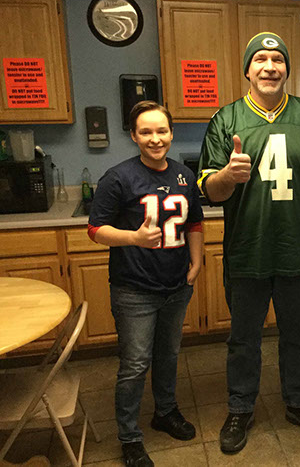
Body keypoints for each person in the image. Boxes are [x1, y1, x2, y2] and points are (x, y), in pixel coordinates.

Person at [197, 32, 300, 454]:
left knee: (299, 335)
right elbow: (210, 190)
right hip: (247, 249)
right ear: (247, 70)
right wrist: (227, 176)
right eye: (260, 59)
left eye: (277, 59)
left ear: (287, 69)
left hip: (297, 247)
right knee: (243, 339)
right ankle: (240, 407)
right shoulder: (226, 120)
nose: (269, 67)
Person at [88, 101, 204, 467]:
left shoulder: (184, 175)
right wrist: (134, 238)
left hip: (176, 284)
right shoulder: (118, 177)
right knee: (135, 364)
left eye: (162, 131)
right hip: (134, 288)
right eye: (146, 132)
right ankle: (129, 437)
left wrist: (197, 260)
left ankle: (165, 411)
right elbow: (95, 229)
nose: (155, 139)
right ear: (134, 136)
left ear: (171, 133)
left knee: (168, 355)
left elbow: (194, 223)